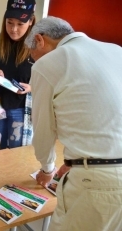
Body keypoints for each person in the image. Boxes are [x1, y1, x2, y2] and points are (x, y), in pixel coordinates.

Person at [25, 16, 122, 231]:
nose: (34, 61)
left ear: (40, 40)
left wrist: (47, 168)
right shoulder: (116, 51)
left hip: (96, 183)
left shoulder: (47, 64)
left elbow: (43, 130)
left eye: (32, 56)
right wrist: (72, 161)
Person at [0, 0, 36, 149]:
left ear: (31, 21)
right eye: (9, 22)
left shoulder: (37, 47)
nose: (13, 29)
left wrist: (32, 87)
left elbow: (49, 79)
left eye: (20, 24)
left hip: (21, 109)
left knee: (18, 153)